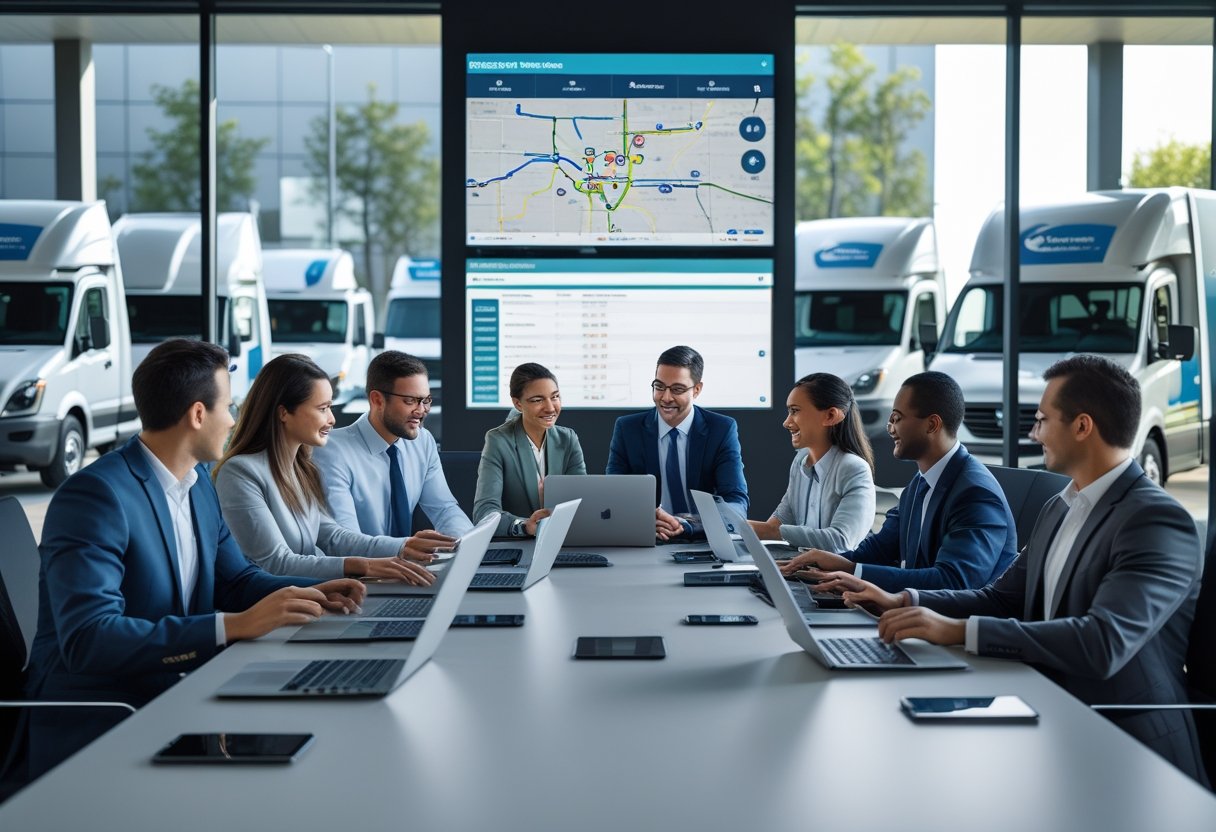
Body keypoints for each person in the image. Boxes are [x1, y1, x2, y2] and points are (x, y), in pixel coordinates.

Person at [842, 355, 1207, 784]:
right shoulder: (1061, 506)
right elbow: (1000, 598)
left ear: (1082, 426)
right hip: (1045, 710)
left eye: (1041, 419)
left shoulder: (1154, 519)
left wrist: (957, 631)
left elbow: (1102, 642)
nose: (1034, 433)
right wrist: (904, 601)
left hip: (1127, 746)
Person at [24, 339, 365, 777]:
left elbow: (236, 581)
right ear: (198, 414)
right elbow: (90, 639)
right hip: (103, 719)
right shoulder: (96, 496)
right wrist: (234, 625)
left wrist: (312, 591)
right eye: (229, 406)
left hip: (179, 693)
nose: (234, 419)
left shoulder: (199, 482)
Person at [780, 371, 1016, 591]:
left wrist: (851, 572)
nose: (891, 428)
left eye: (897, 418)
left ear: (932, 425)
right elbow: (879, 549)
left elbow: (954, 581)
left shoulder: (974, 493)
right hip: (916, 614)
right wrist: (828, 563)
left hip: (955, 626)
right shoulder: (920, 484)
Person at [213, 354, 436, 586]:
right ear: (283, 413)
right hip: (273, 610)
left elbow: (332, 536)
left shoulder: (301, 469)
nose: (331, 419)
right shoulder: (240, 473)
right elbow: (275, 563)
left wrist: (403, 546)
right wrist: (363, 565)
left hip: (308, 597)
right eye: (323, 409)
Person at [313, 350, 474, 541]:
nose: (421, 411)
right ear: (377, 400)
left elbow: (444, 508)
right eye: (410, 401)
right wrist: (406, 548)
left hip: (407, 565)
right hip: (362, 568)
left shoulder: (423, 441)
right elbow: (344, 540)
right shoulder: (332, 452)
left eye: (426, 400)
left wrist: (466, 544)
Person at [606, 345, 748, 540]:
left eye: (677, 389)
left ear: (697, 390)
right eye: (659, 387)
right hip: (648, 538)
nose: (665, 397)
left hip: (702, 541)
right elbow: (613, 496)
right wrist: (644, 519)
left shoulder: (721, 429)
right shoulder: (627, 429)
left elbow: (736, 503)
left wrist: (688, 525)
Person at [747, 373, 876, 551]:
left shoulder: (853, 468)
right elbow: (774, 526)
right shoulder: (800, 461)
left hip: (835, 577)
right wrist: (730, 526)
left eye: (795, 411)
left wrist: (773, 532)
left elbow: (840, 541)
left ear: (830, 416)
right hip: (804, 571)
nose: (786, 422)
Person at [473, 363, 587, 537]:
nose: (550, 408)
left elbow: (581, 502)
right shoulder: (498, 441)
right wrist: (525, 526)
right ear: (518, 403)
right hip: (518, 546)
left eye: (555, 397)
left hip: (563, 540)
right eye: (537, 400)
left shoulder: (568, 439)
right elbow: (484, 512)